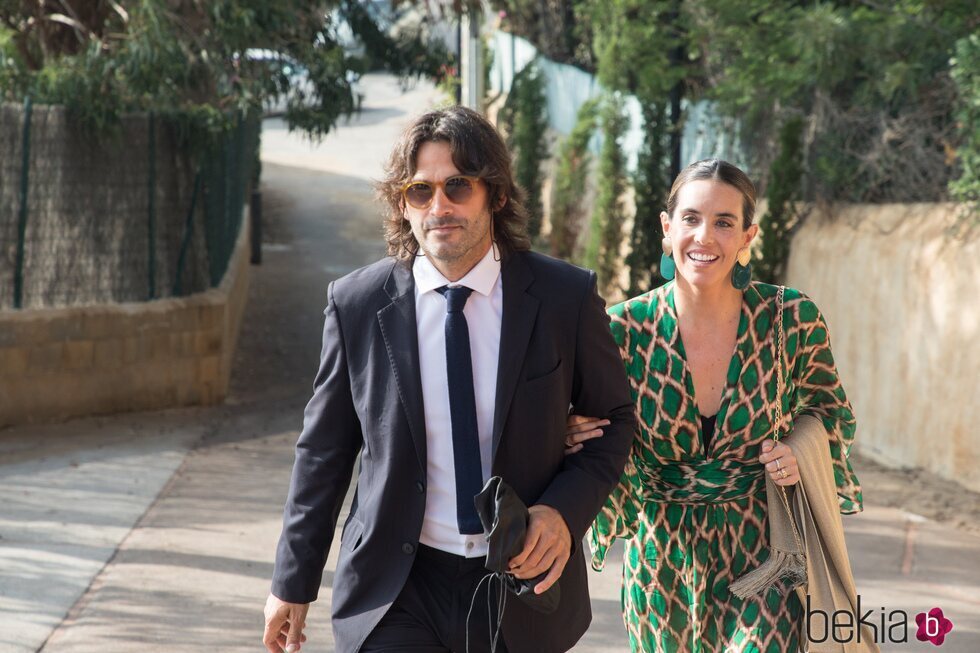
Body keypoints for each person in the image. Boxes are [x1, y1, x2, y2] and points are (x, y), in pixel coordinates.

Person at [262, 105, 636, 653]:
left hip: (518, 587)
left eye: (458, 186)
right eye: (420, 191)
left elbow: (615, 421)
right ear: (402, 204)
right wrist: (291, 583)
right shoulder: (358, 305)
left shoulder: (563, 298)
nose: (439, 207)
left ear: (496, 196)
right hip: (395, 587)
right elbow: (324, 450)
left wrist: (563, 512)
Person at [568, 159, 864, 651]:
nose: (704, 236)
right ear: (667, 229)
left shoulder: (791, 319)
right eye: (690, 219)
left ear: (748, 235)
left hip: (767, 552)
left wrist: (798, 450)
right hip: (660, 562)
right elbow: (593, 430)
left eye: (724, 222)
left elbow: (831, 414)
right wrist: (571, 432)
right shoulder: (622, 331)